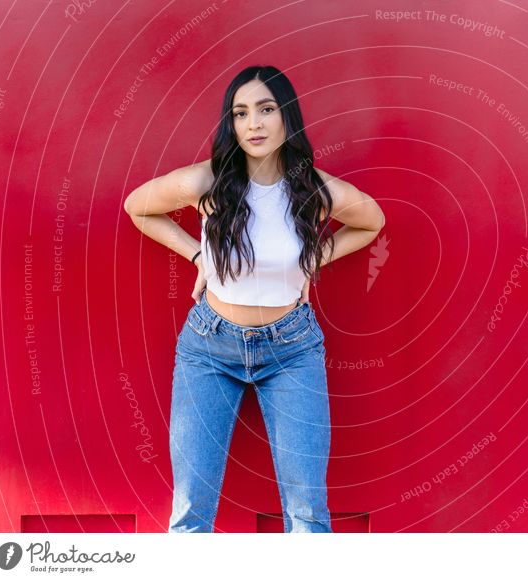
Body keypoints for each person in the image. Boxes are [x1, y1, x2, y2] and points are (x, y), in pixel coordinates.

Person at [123, 64, 385, 533]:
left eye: (266, 110)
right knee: (190, 514)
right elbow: (138, 207)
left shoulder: (312, 189)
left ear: (287, 117)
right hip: (209, 347)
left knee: (307, 513)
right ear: (232, 124)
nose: (254, 124)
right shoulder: (206, 183)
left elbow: (372, 222)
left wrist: (315, 256)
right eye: (241, 113)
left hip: (292, 349)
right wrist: (198, 254)